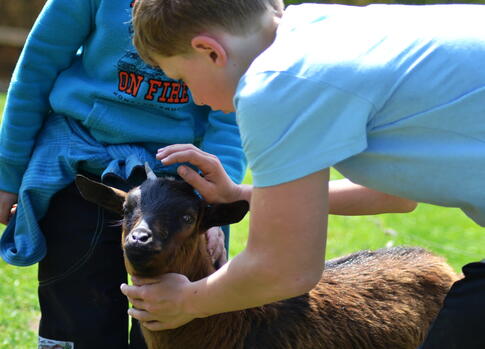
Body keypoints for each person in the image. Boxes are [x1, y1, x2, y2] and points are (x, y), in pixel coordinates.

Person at [121, 0, 485, 348]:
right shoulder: (326, 33)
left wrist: (186, 302)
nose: (195, 97)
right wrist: (243, 194)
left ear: (211, 52)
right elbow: (394, 194)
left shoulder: (276, 82)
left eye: (182, 77)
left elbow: (287, 270)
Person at [0, 0, 246, 348]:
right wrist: (7, 176)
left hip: (179, 193)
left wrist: (211, 204)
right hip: (84, 174)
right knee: (76, 319)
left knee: (172, 324)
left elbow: (230, 113)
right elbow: (38, 66)